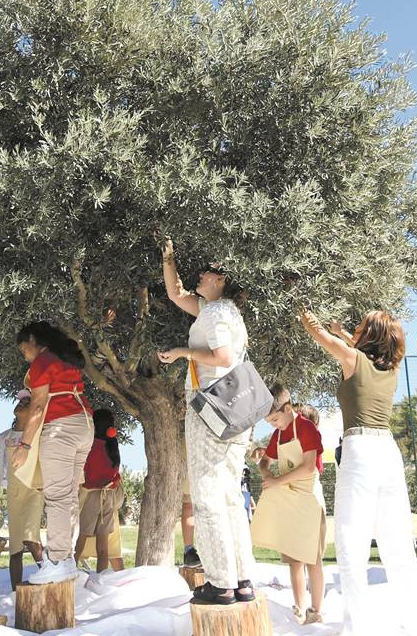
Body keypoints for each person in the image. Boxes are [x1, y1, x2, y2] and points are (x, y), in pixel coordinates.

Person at [301, 309, 417, 636]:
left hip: (360, 452)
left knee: (350, 539)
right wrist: (345, 334)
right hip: (388, 451)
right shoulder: (392, 368)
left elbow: (319, 336)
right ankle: (415, 620)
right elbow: (354, 347)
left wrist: (302, 309)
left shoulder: (353, 359)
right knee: (396, 540)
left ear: (368, 334)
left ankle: (356, 626)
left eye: (360, 327)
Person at [157, 237, 255, 606]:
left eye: (206, 271)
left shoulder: (214, 314)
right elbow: (176, 292)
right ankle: (243, 579)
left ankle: (220, 582)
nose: (199, 274)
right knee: (230, 495)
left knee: (206, 493)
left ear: (220, 278)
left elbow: (221, 356)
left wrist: (182, 352)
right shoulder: (226, 312)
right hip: (237, 412)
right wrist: (169, 258)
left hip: (211, 409)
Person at [12, 321, 93, 584]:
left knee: (57, 497)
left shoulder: (43, 361)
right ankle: (67, 560)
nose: (25, 355)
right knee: (69, 496)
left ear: (34, 340)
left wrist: (24, 446)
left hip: (62, 427)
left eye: (24, 348)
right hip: (84, 425)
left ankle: (58, 560)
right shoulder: (65, 358)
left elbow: (37, 407)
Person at [250, 385, 326, 624]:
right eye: (269, 421)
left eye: (275, 418)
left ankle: (316, 611)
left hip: (309, 500)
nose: (273, 424)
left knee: (313, 559)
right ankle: (299, 608)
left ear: (287, 408)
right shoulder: (278, 435)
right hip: (288, 502)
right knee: (294, 559)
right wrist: (264, 471)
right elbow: (266, 462)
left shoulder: (307, 428)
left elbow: (308, 466)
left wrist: (277, 481)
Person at [0, 391, 46, 588]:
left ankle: (50, 576)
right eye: (20, 401)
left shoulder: (38, 436)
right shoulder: (4, 438)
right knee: (15, 549)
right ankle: (16, 593)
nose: (21, 404)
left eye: (27, 402)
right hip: (13, 495)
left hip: (34, 491)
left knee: (30, 538)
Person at [75, 409, 124, 573]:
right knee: (103, 549)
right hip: (108, 497)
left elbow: (84, 472)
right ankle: (100, 579)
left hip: (91, 496)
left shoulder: (89, 446)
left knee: (80, 541)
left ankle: (69, 574)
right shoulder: (113, 447)